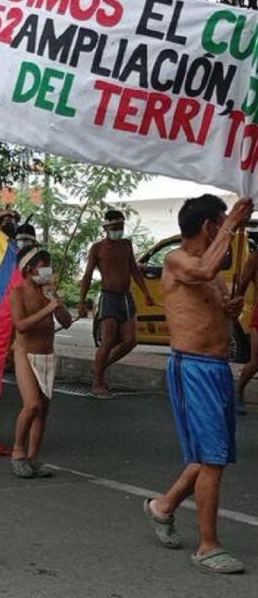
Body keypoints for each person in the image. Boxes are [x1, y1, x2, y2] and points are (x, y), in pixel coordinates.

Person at [143, 195, 251, 574]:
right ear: (209, 226)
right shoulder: (179, 260)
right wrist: (233, 223)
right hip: (193, 368)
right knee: (212, 458)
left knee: (212, 454)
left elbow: (217, 300)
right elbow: (203, 271)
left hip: (217, 369)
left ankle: (164, 506)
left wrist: (230, 308)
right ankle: (208, 545)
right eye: (219, 224)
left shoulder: (211, 271)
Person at [77, 210, 155, 398]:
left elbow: (134, 270)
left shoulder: (126, 245)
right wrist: (81, 302)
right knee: (109, 339)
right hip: (108, 297)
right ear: (106, 227)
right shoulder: (97, 248)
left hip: (125, 297)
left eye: (121, 227)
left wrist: (146, 293)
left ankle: (100, 367)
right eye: (114, 227)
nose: (118, 231)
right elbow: (87, 276)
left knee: (130, 341)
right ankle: (97, 381)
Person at [10, 247, 72, 479]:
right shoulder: (18, 293)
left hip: (47, 354)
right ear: (28, 269)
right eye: (43, 266)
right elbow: (21, 325)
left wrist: (57, 303)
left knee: (43, 409)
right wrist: (47, 308)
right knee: (32, 405)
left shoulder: (48, 293)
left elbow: (66, 322)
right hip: (25, 354)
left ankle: (34, 457)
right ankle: (18, 452)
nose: (47, 271)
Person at [234, 250, 258, 416]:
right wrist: (237, 302)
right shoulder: (255, 257)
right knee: (256, 361)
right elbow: (243, 283)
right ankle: (237, 393)